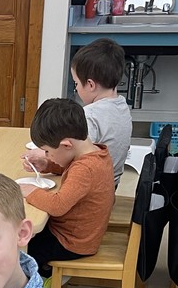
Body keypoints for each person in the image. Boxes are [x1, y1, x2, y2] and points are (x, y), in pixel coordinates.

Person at [19, 98, 115, 278]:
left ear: (66, 145)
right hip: (79, 234)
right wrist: (47, 165)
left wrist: (30, 191)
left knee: (23, 251)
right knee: (24, 234)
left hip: (72, 242)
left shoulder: (85, 169)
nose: (47, 155)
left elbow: (58, 205)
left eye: (47, 151)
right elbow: (71, 168)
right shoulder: (94, 153)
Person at [26, 38, 132, 187]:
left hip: (90, 188)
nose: (76, 88)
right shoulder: (122, 105)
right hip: (109, 185)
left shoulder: (91, 115)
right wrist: (47, 165)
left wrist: (44, 154)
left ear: (90, 84)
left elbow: (73, 154)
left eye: (76, 83)